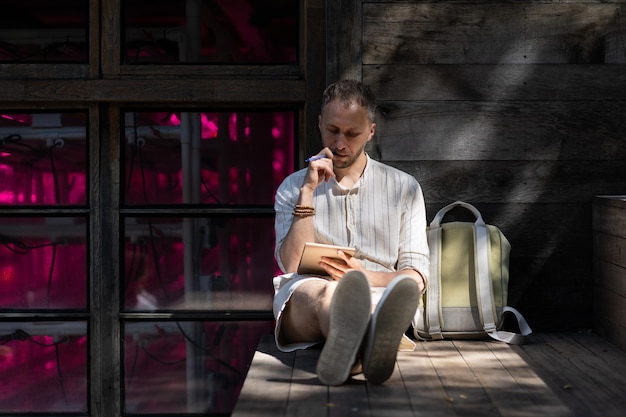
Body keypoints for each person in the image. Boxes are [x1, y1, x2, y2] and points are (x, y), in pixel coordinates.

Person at [272, 79, 429, 386]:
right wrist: (308, 191)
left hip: (377, 296)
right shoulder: (292, 187)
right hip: (307, 299)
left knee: (365, 299)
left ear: (371, 131)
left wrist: (361, 277)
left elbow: (417, 277)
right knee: (326, 292)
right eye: (332, 130)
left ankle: (354, 352)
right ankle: (363, 345)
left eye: (352, 134)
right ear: (319, 123)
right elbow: (290, 264)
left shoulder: (404, 188)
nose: (340, 143)